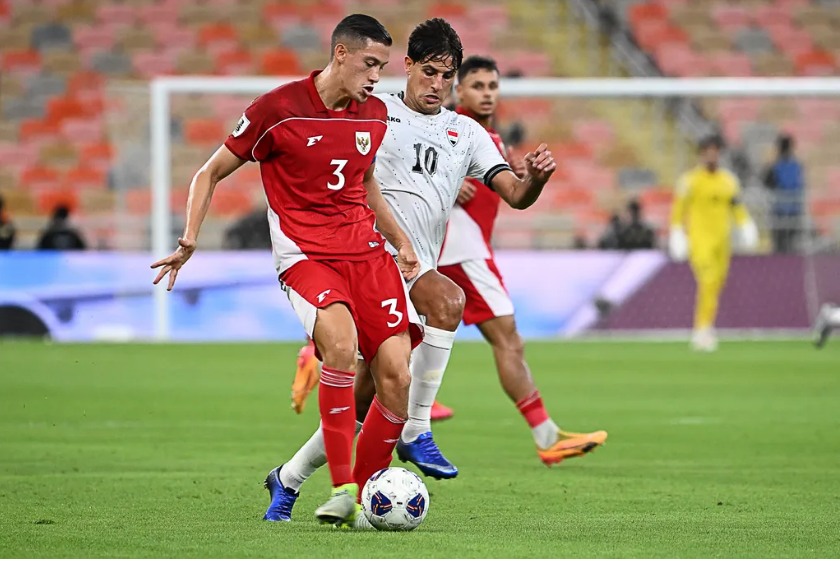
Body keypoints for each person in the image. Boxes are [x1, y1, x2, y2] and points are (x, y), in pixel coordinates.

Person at [275, 24, 561, 524]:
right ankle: (415, 430)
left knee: (370, 397)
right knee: (445, 306)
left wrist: (533, 180)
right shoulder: (373, 110)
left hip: (414, 264)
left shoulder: (467, 133)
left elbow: (514, 195)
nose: (437, 84)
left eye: (446, 76)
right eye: (429, 72)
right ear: (407, 66)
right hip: (364, 261)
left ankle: (291, 480)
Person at [151, 14, 423, 528]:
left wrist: (400, 238)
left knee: (396, 375)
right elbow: (210, 172)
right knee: (341, 348)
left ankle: (354, 495)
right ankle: (346, 490)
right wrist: (189, 239)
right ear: (340, 54)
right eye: (369, 64)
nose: (375, 77)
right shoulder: (277, 111)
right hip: (307, 255)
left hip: (367, 254)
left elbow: (363, 186)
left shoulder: (376, 115)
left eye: (382, 67)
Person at [436, 55, 607, 466]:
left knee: (412, 333)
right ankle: (545, 436)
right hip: (462, 250)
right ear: (458, 90)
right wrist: (449, 184)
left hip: (454, 249)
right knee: (507, 338)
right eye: (477, 86)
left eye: (492, 86)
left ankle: (322, 357)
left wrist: (524, 175)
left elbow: (513, 196)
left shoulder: (490, 141)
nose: (487, 94)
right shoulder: (455, 130)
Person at [668, 135, 758, 352]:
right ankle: (701, 330)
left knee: (716, 285)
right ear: (700, 154)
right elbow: (678, 210)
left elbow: (737, 207)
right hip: (700, 242)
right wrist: (677, 232)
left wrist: (745, 225)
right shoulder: (690, 181)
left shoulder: (728, 181)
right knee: (708, 281)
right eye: (707, 151)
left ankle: (706, 327)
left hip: (722, 243)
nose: (712, 155)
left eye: (715, 151)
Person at [762, 134, 803, 254]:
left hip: (780, 211)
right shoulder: (796, 166)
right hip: (793, 211)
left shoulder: (776, 167)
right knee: (791, 246)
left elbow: (766, 183)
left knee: (780, 247)